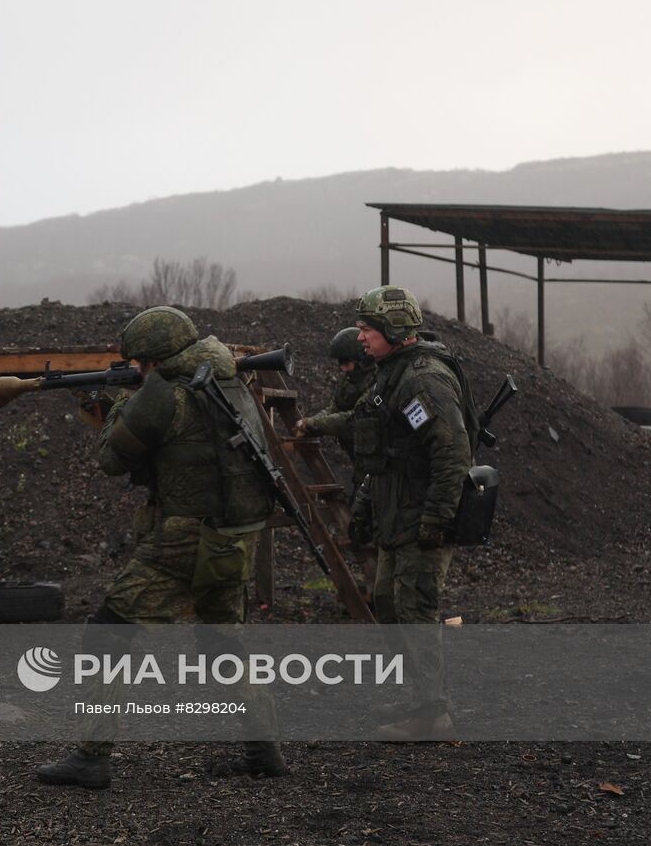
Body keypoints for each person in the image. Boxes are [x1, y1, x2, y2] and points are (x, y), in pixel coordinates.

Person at [36, 306, 288, 788]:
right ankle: (263, 749)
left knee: (108, 633)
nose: (137, 370)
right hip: (235, 537)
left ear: (151, 360)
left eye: (139, 363)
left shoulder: (162, 395)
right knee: (222, 641)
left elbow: (112, 459)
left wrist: (116, 405)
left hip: (184, 541)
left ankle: (91, 757)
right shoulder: (227, 381)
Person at [348, 285, 473, 739]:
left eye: (367, 328)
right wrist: (365, 505)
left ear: (393, 329)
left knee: (415, 610)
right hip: (396, 517)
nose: (360, 337)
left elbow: (452, 453)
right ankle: (422, 696)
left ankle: (432, 715)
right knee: (387, 600)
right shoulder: (392, 374)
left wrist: (435, 520)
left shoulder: (422, 380)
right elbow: (387, 452)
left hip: (420, 520)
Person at [294, 327, 376, 488]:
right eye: (340, 362)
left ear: (361, 359)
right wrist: (308, 423)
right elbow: (335, 407)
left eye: (345, 362)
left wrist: (314, 424)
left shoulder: (378, 382)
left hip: (379, 467)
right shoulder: (350, 381)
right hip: (362, 463)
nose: (342, 368)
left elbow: (354, 420)